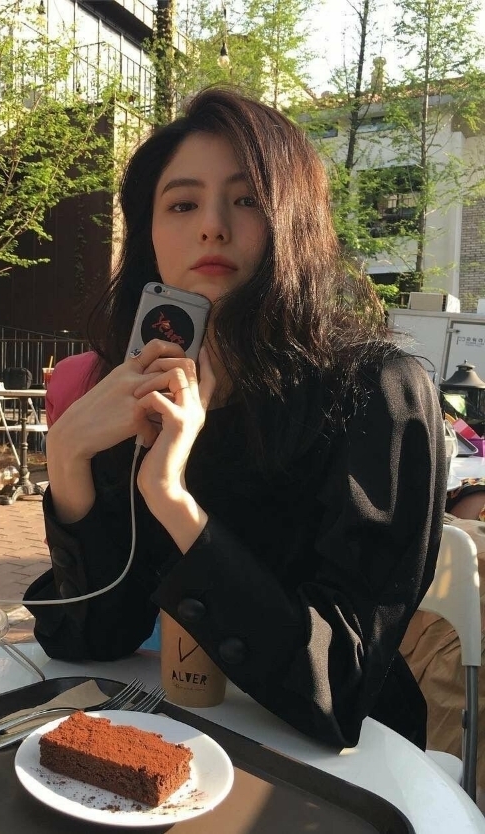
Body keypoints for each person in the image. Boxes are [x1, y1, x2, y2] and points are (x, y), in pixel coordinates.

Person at [24, 87, 447, 750]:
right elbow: (92, 637)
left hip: (338, 773)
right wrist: (68, 461)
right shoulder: (144, 389)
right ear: (148, 236)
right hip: (175, 745)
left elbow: (338, 685)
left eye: (246, 200)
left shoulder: (378, 392)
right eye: (182, 204)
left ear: (294, 222)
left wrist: (173, 502)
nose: (212, 226)